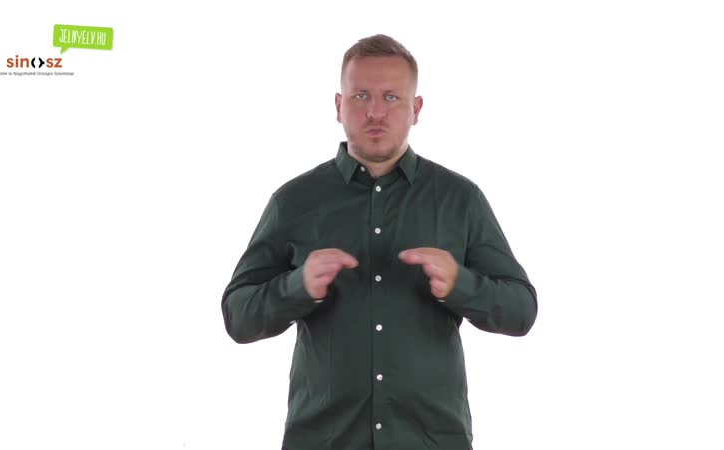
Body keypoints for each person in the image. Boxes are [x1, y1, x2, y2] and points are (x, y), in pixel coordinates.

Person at [221, 34, 537, 450]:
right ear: (338, 105)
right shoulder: (293, 202)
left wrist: (461, 285)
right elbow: (237, 316)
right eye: (361, 96)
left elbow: (521, 310)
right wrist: (297, 287)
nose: (374, 112)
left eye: (391, 97)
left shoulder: (460, 200)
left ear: (416, 109)